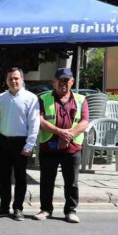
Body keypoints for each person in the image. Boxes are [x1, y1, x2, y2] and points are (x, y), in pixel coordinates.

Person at [37, 68, 89, 223]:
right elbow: (39, 120)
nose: (63, 84)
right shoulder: (43, 98)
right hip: (49, 146)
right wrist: (60, 132)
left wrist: (69, 135)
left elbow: (85, 122)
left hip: (72, 147)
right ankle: (45, 209)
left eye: (67, 81)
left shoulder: (81, 99)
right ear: (54, 82)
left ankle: (70, 211)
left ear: (72, 82)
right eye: (60, 80)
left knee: (71, 182)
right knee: (47, 180)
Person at [0, 67, 40, 221]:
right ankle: (4, 206)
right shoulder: (0, 98)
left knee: (20, 178)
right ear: (6, 81)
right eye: (10, 79)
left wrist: (29, 145)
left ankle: (18, 208)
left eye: (16, 78)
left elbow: (34, 123)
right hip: (3, 141)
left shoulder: (31, 98)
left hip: (21, 142)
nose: (13, 81)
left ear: (22, 80)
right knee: (4, 176)